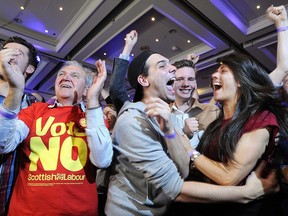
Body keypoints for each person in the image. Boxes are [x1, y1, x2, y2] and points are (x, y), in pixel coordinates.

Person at [104, 31, 279, 216]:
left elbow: (184, 169)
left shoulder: (166, 119)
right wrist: (245, 193)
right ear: (143, 80)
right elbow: (175, 188)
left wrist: (172, 132)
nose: (173, 68)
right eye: (163, 65)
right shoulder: (133, 121)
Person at [0, 59, 113, 215]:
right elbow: (4, 144)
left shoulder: (94, 116)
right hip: (26, 211)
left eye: (74, 75)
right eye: (61, 74)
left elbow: (102, 160)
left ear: (87, 88)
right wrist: (15, 91)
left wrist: (93, 100)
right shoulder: (35, 110)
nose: (65, 78)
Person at [0, 36, 44, 216]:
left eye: (17, 53)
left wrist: (15, 90)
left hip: (10, 195)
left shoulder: (33, 106)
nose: (7, 55)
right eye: (4, 50)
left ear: (30, 68)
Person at [171, 56, 220, 148]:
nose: (186, 84)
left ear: (196, 84)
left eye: (190, 79)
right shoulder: (164, 114)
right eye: (180, 79)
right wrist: (183, 133)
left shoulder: (212, 111)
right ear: (171, 83)